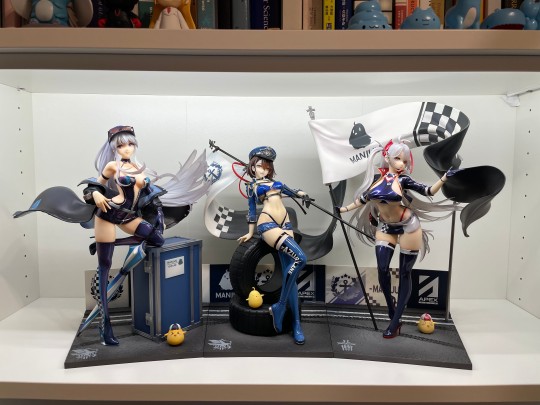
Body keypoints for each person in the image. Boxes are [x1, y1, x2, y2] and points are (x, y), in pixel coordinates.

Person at [14, 125, 209, 345]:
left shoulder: (137, 167)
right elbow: (93, 186)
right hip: (108, 214)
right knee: (104, 267)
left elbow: (149, 199)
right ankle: (105, 327)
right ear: (113, 147)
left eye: (131, 143)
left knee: (156, 239)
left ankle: (113, 244)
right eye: (121, 145)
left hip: (128, 216)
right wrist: (96, 194)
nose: (127, 148)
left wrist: (159, 215)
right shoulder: (112, 166)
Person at [338, 140, 456, 339]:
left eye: (405, 160)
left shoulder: (404, 180)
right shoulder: (377, 179)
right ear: (387, 158)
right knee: (383, 269)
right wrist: (342, 209)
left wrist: (444, 178)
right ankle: (393, 311)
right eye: (398, 159)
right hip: (385, 227)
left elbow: (428, 191)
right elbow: (362, 199)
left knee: (404, 273)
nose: (402, 164)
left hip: (408, 225)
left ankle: (395, 321)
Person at [238, 146, 312, 345]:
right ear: (252, 166)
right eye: (259, 166)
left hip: (285, 223)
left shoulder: (275, 183)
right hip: (268, 224)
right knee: (300, 259)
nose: (263, 170)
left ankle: (296, 324)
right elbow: (251, 210)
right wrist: (250, 232)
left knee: (290, 275)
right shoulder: (252, 186)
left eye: (267, 167)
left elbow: (292, 192)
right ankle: (279, 306)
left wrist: (302, 194)